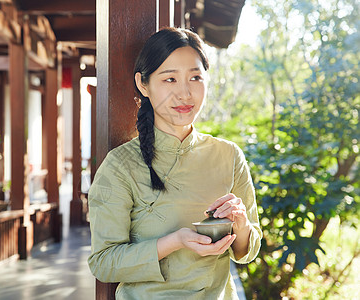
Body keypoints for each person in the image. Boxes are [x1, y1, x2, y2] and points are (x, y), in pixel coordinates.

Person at [87, 27, 262, 299]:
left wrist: (241, 225)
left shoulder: (229, 155)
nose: (185, 94)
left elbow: (246, 252)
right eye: (169, 79)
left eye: (195, 78)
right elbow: (103, 263)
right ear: (143, 84)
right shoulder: (120, 166)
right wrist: (174, 241)